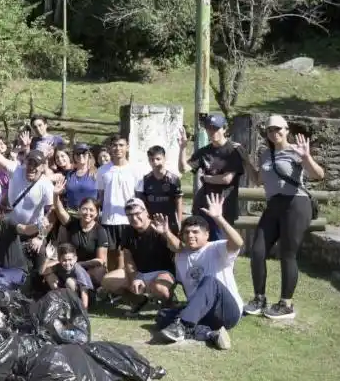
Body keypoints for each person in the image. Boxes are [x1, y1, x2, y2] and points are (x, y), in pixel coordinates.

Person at [241, 115, 324, 320]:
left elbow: (318, 175)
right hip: (274, 205)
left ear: (287, 130)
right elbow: (258, 179)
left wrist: (306, 157)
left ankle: (286, 303)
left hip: (296, 203)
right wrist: (245, 160)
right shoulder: (266, 154)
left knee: (288, 253)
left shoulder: (296, 151)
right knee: (258, 250)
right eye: (270, 130)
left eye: (278, 129)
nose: (274, 133)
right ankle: (259, 298)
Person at [157, 193, 243, 350]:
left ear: (207, 234)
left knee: (209, 281)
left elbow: (238, 242)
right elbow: (175, 246)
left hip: (227, 312)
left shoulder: (217, 248)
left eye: (196, 232)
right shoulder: (180, 257)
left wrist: (219, 218)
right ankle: (210, 335)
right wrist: (166, 232)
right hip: (202, 314)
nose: (190, 235)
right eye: (187, 232)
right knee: (163, 316)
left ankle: (182, 325)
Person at [101, 198, 179, 309]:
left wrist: (166, 233)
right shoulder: (127, 231)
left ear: (146, 212)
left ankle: (170, 306)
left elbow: (178, 248)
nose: (134, 218)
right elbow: (128, 259)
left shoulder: (159, 226)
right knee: (107, 281)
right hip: (140, 272)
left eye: (137, 213)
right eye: (129, 215)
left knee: (159, 287)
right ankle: (140, 301)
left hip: (163, 272)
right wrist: (134, 278)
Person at [178, 114, 246, 242]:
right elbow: (184, 169)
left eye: (216, 128)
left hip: (223, 208)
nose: (212, 131)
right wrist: (182, 148)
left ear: (224, 129)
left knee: (220, 247)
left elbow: (227, 179)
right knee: (201, 247)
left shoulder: (233, 150)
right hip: (203, 206)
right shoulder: (204, 151)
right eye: (209, 128)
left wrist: (206, 178)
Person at [97, 135, 149, 269]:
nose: (117, 148)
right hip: (108, 219)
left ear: (127, 147)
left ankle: (124, 283)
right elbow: (100, 196)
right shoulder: (102, 170)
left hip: (128, 219)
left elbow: (139, 197)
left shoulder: (136, 169)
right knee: (111, 254)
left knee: (125, 253)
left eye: (121, 145)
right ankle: (112, 285)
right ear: (110, 148)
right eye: (114, 145)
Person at [52, 190, 110, 287]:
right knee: (46, 268)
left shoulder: (100, 231)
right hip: (69, 264)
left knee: (100, 271)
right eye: (84, 209)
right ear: (79, 210)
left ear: (97, 213)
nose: (88, 213)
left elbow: (101, 260)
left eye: (91, 210)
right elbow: (59, 209)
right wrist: (56, 194)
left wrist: (79, 264)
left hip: (89, 268)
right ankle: (59, 290)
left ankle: (88, 289)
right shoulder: (72, 224)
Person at [136, 145, 183, 235]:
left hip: (169, 222)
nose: (155, 162)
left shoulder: (174, 179)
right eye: (151, 160)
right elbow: (143, 203)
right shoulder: (145, 179)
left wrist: (179, 223)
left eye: (158, 159)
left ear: (164, 158)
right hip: (152, 222)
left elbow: (179, 202)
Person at [43, 243, 93, 309]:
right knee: (49, 276)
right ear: (59, 259)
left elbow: (84, 291)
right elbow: (43, 272)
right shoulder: (58, 266)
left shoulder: (78, 270)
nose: (67, 263)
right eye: (64, 260)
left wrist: (84, 309)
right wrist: (47, 258)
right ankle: (61, 302)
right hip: (66, 292)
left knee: (69, 282)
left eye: (70, 260)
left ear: (75, 259)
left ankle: (74, 306)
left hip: (83, 296)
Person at [65, 142, 97, 210]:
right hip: (71, 213)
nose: (81, 155)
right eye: (78, 153)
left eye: (84, 153)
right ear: (74, 156)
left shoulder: (96, 173)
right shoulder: (69, 174)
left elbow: (102, 196)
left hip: (89, 215)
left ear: (89, 155)